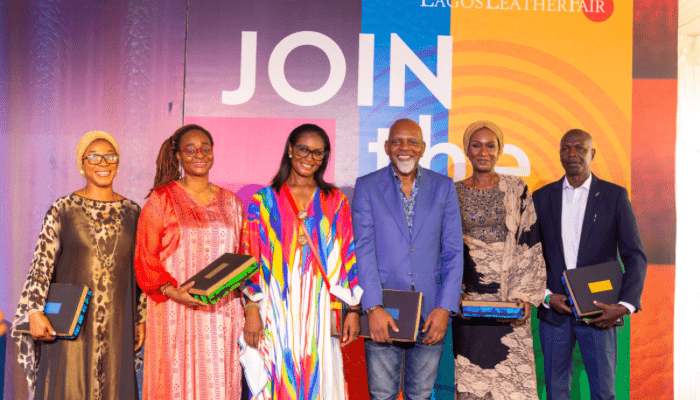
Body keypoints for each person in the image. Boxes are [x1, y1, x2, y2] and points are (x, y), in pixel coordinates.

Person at [11, 131, 146, 400]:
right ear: (81, 164)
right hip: (71, 326)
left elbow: (139, 270)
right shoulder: (63, 209)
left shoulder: (133, 212)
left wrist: (141, 317)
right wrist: (34, 311)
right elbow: (41, 264)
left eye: (110, 157)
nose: (103, 163)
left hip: (117, 324)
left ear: (118, 163)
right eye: (94, 157)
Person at [241, 123, 362, 400]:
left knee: (318, 379)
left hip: (320, 308)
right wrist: (251, 309)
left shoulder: (335, 201)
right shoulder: (263, 200)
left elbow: (348, 256)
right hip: (274, 307)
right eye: (303, 149)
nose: (310, 158)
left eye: (318, 153)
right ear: (290, 150)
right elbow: (249, 258)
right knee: (276, 378)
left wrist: (353, 309)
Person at [352, 118, 463, 400]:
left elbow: (453, 252)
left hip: (431, 313)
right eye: (397, 142)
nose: (405, 148)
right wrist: (373, 308)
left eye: (412, 142)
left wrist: (444, 308)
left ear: (423, 148)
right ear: (387, 147)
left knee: (421, 395)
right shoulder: (367, 186)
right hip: (384, 312)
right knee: (382, 395)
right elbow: (363, 250)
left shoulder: (443, 186)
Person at [533, 129, 647, 400]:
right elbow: (530, 256)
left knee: (604, 393)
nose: (572, 154)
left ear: (592, 153)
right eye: (566, 148)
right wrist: (546, 296)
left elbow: (635, 255)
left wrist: (624, 305)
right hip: (555, 312)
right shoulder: (542, 197)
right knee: (555, 393)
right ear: (559, 154)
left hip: (600, 313)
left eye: (580, 148)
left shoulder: (614, 196)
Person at [135, 124, 245, 399]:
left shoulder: (232, 202)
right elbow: (145, 258)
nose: (199, 155)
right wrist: (173, 291)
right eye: (190, 150)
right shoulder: (161, 200)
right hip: (174, 309)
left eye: (205, 149)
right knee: (175, 383)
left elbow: (243, 258)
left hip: (221, 312)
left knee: (217, 385)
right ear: (178, 156)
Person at [451, 121, 545, 400]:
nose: (483, 152)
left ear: (500, 150)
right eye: (476, 145)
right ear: (466, 150)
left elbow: (529, 240)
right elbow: (445, 248)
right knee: (473, 383)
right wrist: (453, 292)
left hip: (510, 303)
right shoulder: (452, 192)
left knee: (513, 386)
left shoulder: (517, 188)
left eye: (490, 146)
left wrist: (525, 296)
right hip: (469, 305)